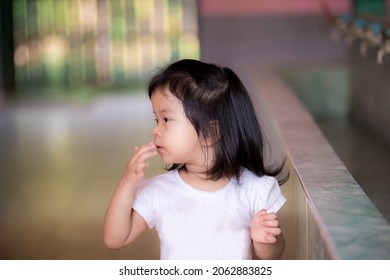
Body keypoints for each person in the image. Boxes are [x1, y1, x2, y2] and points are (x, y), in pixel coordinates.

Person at [103, 59, 288, 260]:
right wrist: (127, 184)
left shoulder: (254, 190)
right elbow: (115, 239)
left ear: (210, 132)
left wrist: (264, 239)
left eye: (166, 119)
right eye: (156, 120)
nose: (155, 130)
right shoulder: (159, 191)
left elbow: (272, 256)